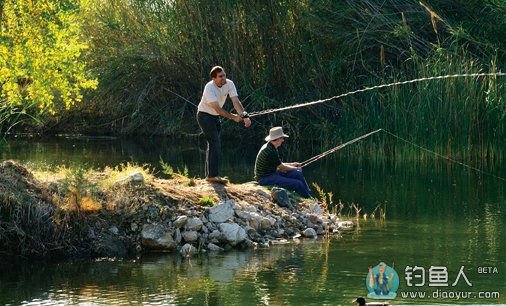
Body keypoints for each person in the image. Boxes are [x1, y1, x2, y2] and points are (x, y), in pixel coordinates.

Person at [197, 66, 251, 184]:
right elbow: (218, 109)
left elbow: (236, 102)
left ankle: (210, 175)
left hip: (215, 117)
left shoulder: (229, 84)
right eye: (220, 76)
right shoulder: (209, 87)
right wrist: (234, 118)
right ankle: (213, 175)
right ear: (214, 78)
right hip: (204, 116)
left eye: (224, 75)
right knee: (215, 142)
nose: (223, 78)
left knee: (213, 144)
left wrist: (244, 116)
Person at [254, 127, 312, 198]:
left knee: (297, 173)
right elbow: (282, 167)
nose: (283, 140)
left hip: (271, 174)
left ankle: (308, 194)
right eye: (282, 138)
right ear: (277, 138)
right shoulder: (270, 150)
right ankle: (308, 199)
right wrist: (294, 168)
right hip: (265, 179)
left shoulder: (270, 146)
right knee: (297, 184)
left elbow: (279, 164)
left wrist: (292, 164)